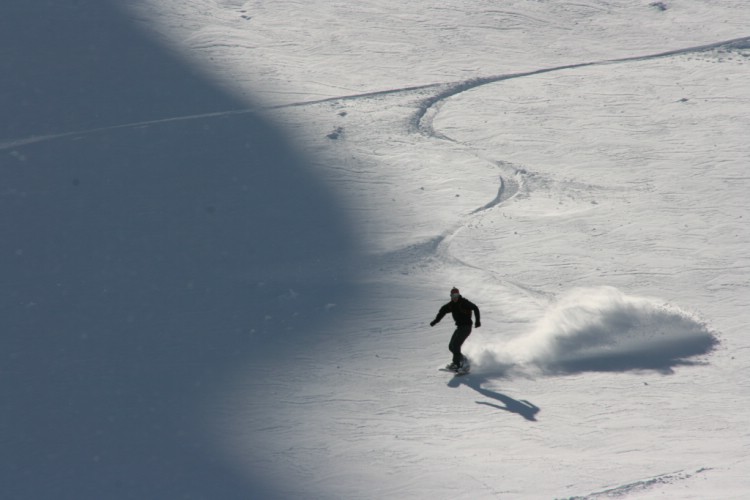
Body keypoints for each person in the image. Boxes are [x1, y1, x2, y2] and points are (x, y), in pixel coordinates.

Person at [430, 287, 481, 370]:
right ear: (451, 296)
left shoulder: (464, 302)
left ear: (459, 294)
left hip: (466, 327)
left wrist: (477, 321)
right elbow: (442, 311)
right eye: (453, 295)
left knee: (456, 345)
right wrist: (435, 321)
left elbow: (475, 308)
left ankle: (457, 364)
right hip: (460, 327)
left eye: (456, 295)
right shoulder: (451, 305)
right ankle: (464, 361)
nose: (455, 297)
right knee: (451, 346)